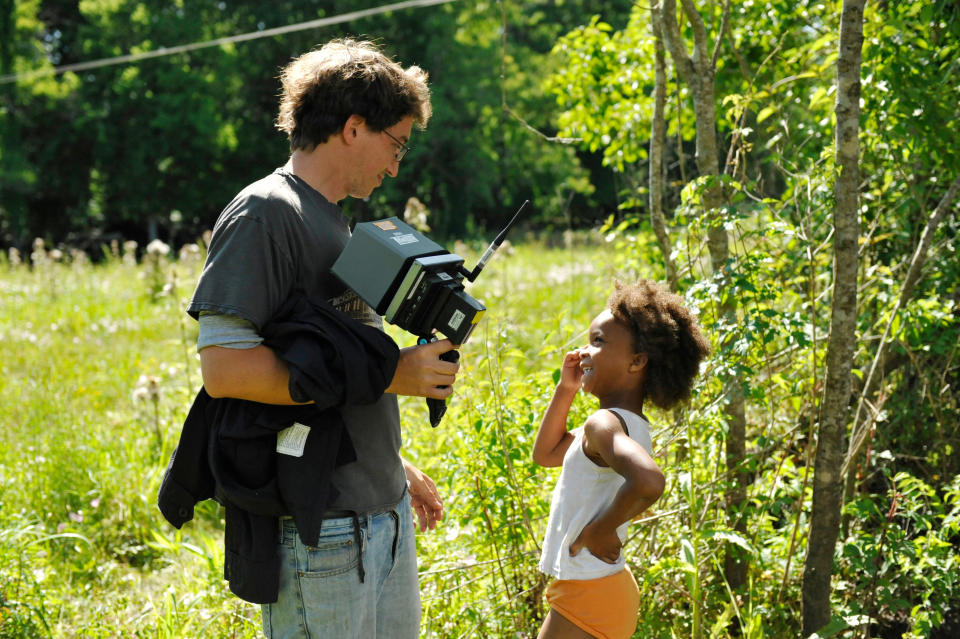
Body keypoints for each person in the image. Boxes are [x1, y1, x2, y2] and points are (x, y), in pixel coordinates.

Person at [184, 38, 458, 638]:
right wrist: (394, 373)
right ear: (354, 127)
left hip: (380, 517)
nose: (395, 166)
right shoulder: (266, 212)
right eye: (396, 144)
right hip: (322, 533)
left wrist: (392, 466)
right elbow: (224, 369)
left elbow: (332, 368)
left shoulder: (336, 220)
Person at [532, 280, 710, 639]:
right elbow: (546, 454)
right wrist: (565, 389)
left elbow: (650, 481)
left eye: (598, 342)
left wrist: (602, 529)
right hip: (597, 586)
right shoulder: (625, 426)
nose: (584, 351)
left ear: (637, 361)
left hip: (590, 590)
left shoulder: (604, 424)